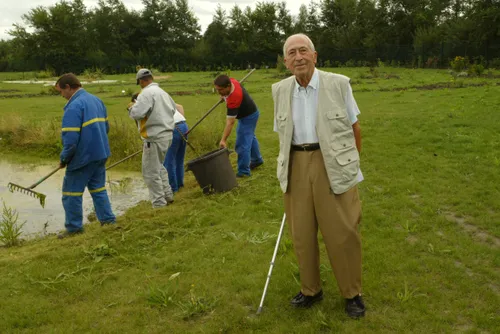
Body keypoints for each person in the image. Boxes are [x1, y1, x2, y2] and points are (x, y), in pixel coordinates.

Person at [272, 33, 366, 318]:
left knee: (342, 232)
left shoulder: (338, 84)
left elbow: (354, 128)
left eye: (303, 51)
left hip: (331, 163)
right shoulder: (279, 90)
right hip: (296, 164)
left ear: (314, 55)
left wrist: (349, 164)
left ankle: (352, 294)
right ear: (286, 62)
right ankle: (311, 290)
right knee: (301, 233)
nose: (298, 56)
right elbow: (282, 134)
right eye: (292, 53)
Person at [55, 73, 116, 238]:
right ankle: (108, 221)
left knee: (71, 193)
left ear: (68, 87)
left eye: (61, 91)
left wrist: (64, 158)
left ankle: (74, 229)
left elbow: (71, 140)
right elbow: (107, 128)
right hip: (101, 153)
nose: (61, 95)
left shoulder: (73, 106)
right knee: (98, 188)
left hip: (83, 157)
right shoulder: (97, 100)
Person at [127, 68, 176, 208]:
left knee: (150, 173)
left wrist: (131, 107)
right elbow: (173, 109)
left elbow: (137, 114)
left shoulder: (146, 93)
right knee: (159, 167)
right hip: (167, 135)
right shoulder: (163, 92)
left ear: (141, 81)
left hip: (153, 138)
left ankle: (159, 204)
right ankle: (168, 195)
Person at [214, 75, 264, 177]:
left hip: (248, 116)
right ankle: (257, 160)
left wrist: (223, 140)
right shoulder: (231, 81)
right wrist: (224, 96)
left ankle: (244, 172)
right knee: (250, 137)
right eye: (217, 90)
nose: (219, 92)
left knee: (242, 144)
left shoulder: (234, 98)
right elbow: (226, 92)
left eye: (221, 90)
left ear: (228, 86)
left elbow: (230, 122)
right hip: (251, 112)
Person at [163, 104, 188, 192]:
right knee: (179, 159)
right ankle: (180, 185)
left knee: (168, 161)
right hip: (183, 125)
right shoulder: (162, 97)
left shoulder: (147, 103)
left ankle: (173, 189)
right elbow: (180, 106)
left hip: (173, 128)